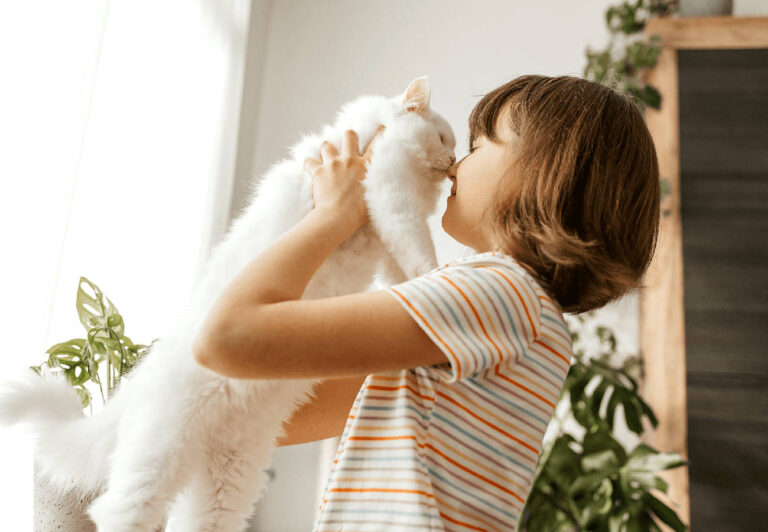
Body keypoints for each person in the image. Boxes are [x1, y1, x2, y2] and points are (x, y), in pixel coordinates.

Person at [193, 74, 661, 531]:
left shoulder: (501, 293)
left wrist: (332, 215)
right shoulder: (511, 314)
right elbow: (284, 415)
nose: (455, 165)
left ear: (546, 172)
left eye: (479, 146)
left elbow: (225, 337)